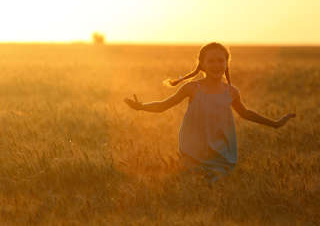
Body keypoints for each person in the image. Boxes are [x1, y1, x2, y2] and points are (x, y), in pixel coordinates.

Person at [124, 42, 296, 184]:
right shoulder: (192, 88)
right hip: (193, 150)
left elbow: (246, 113)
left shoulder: (231, 92)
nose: (216, 65)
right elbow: (163, 105)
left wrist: (275, 123)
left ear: (227, 64)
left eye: (221, 61)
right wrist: (141, 107)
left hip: (221, 152)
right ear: (202, 64)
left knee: (217, 184)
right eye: (211, 61)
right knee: (191, 182)